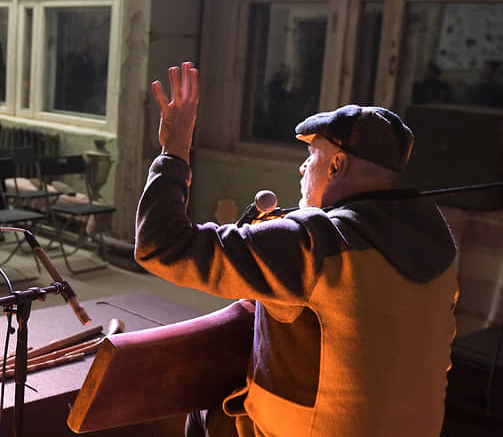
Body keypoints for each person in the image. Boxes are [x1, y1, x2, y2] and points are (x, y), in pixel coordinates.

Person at [135, 62, 458, 437]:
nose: (302, 169)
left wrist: (175, 149)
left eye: (311, 157)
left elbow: (162, 244)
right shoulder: (441, 247)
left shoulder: (313, 243)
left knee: (205, 405)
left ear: (336, 166)